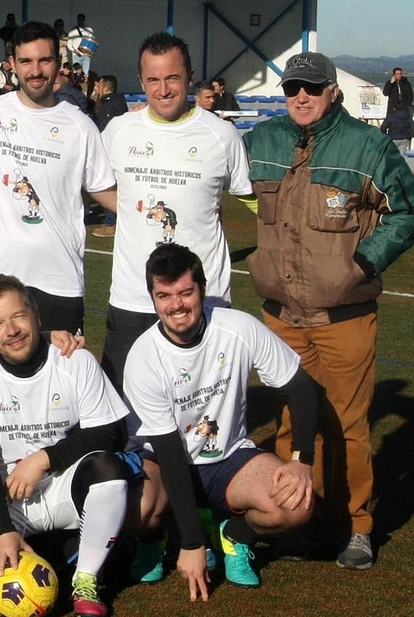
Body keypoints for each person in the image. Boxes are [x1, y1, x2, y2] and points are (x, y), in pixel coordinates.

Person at [244, 51, 414, 569]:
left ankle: (357, 526)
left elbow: (412, 209)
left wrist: (364, 262)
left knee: (348, 426)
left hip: (344, 316)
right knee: (289, 424)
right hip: (281, 316)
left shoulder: (367, 146)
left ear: (334, 91)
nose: (300, 97)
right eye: (291, 88)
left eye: (311, 87)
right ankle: (297, 519)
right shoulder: (261, 141)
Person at [122, 244, 321, 596]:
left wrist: (301, 460)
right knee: (129, 507)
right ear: (152, 298)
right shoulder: (143, 358)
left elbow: (300, 387)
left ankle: (234, 535)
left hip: (229, 459)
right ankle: (158, 538)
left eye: (186, 292)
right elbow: (169, 452)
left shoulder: (238, 327)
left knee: (297, 505)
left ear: (202, 288)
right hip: (166, 463)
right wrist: (191, 543)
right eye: (164, 295)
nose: (176, 306)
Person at [0, 275, 132, 617]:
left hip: (58, 484)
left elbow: (109, 432)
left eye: (18, 316)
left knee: (108, 470)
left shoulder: (74, 360)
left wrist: (44, 459)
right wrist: (2, 530)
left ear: (36, 316)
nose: (12, 330)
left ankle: (86, 580)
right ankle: (64, 549)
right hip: (6, 493)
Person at [97, 32, 252, 386]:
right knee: (122, 412)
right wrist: (131, 211)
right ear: (141, 81)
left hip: (200, 298)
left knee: (197, 409)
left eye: (172, 78)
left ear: (190, 77)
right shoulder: (119, 131)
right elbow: (95, 183)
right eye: (153, 79)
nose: (163, 89)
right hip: (133, 298)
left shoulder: (222, 136)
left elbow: (253, 198)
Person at [0, 21, 116, 335]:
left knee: (58, 381)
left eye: (44, 60)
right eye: (26, 61)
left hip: (57, 281)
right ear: (13, 65)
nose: (36, 70)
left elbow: (106, 191)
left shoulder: (80, 126)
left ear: (58, 63)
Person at [383, 67, 414, 151]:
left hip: (404, 109)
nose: (399, 76)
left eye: (400, 74)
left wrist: (406, 105)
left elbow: (410, 96)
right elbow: (385, 93)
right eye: (397, 74)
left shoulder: (406, 83)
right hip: (392, 110)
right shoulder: (390, 83)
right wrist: (391, 83)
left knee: (404, 126)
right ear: (394, 75)